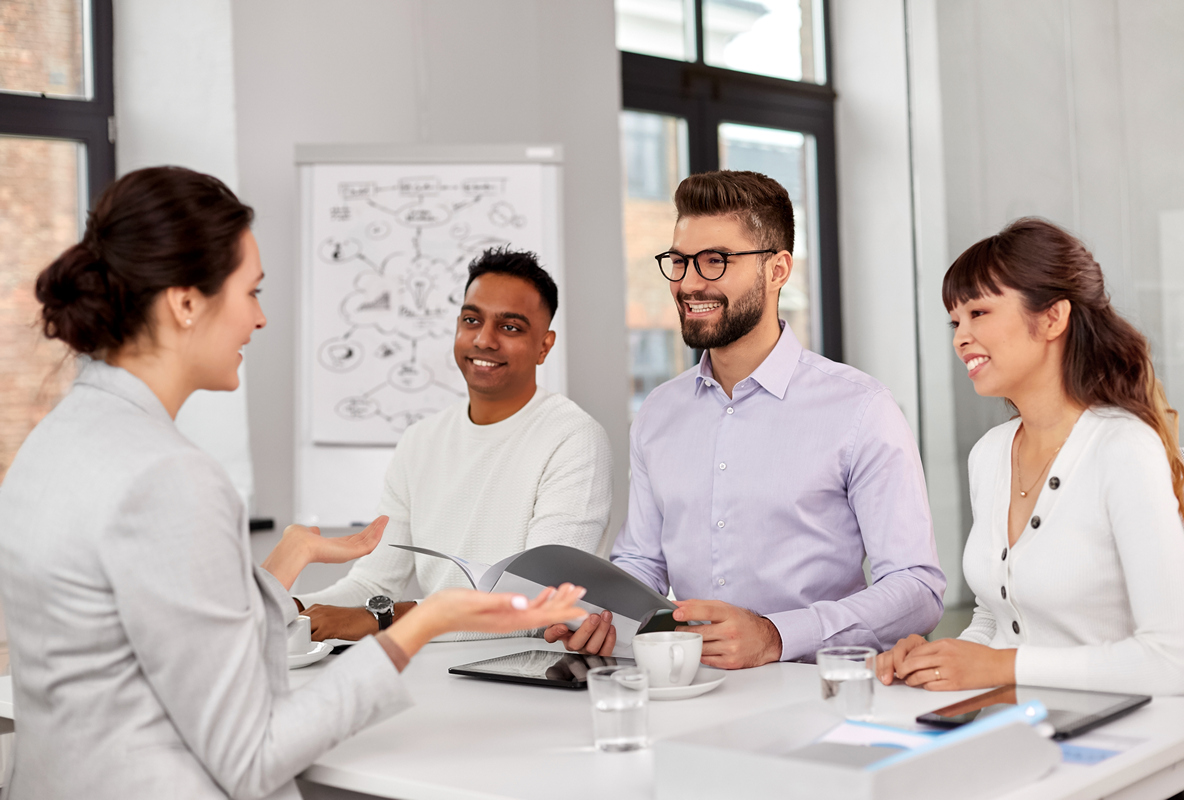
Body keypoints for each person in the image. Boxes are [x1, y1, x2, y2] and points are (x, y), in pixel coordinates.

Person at [0, 167, 588, 800]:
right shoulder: (170, 476)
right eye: (250, 291)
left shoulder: (52, 442)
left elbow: (152, 638)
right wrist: (423, 622)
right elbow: (253, 755)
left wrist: (288, 565)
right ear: (187, 302)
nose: (259, 318)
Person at [546, 170, 946, 668]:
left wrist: (777, 635)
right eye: (679, 261)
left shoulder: (861, 408)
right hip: (688, 692)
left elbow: (916, 588)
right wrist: (600, 616)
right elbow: (643, 563)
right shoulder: (659, 413)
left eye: (716, 261)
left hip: (815, 696)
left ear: (778, 270)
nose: (690, 282)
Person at [877, 217, 1184, 696]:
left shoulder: (1122, 449)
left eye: (979, 313)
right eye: (955, 321)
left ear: (1052, 318)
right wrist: (939, 661)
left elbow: (1174, 662)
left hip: (1121, 740)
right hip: (1017, 726)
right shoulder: (989, 455)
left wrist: (1001, 668)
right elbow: (994, 618)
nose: (959, 337)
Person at [296, 249, 612, 641]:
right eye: (471, 320)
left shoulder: (573, 437)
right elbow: (371, 587)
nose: (484, 339)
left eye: (510, 327)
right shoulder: (420, 441)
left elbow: (538, 604)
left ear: (544, 346)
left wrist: (388, 619)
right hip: (433, 672)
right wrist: (290, 609)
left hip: (525, 678)